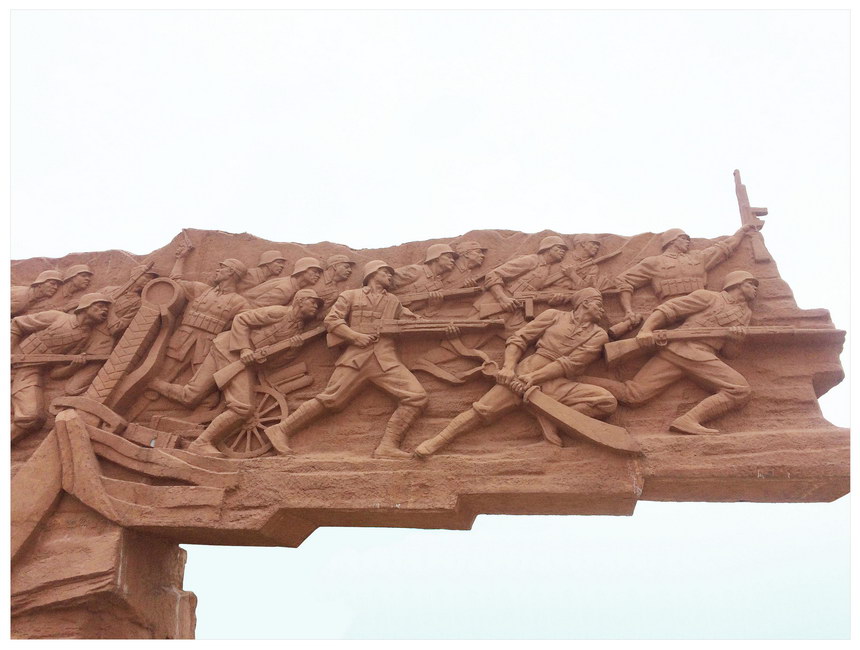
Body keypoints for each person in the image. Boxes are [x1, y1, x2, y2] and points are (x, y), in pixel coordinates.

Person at [414, 288, 616, 458]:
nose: (602, 309)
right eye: (599, 304)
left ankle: (548, 416)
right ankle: (438, 441)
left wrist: (532, 379)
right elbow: (519, 339)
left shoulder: (599, 335)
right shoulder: (553, 316)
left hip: (556, 382)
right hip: (525, 371)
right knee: (481, 410)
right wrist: (509, 368)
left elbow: (570, 364)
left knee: (605, 401)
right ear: (585, 303)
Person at [264, 260, 427, 459]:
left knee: (417, 397)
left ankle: (388, 446)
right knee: (331, 399)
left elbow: (412, 320)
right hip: (356, 358)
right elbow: (332, 320)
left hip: (385, 360)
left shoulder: (393, 301)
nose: (390, 276)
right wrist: (355, 336)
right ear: (372, 274)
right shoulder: (350, 295)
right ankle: (281, 429)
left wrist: (445, 324)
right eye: (385, 272)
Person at [582, 271, 759, 435]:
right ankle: (689, 420)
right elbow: (669, 309)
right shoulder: (710, 297)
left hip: (695, 353)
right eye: (751, 284)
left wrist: (736, 339)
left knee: (634, 395)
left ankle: (577, 380)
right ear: (736, 284)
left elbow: (729, 354)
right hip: (687, 348)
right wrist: (646, 330)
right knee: (739, 390)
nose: (755, 288)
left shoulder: (745, 313)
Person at [150, 290, 323, 456]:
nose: (316, 307)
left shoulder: (297, 331)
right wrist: (244, 349)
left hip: (236, 358)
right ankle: (201, 442)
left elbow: (274, 364)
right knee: (242, 408)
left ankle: (151, 383)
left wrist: (293, 349)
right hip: (230, 349)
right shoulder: (279, 312)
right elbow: (241, 319)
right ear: (300, 301)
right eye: (313, 302)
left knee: (191, 395)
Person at [10, 293, 113, 441]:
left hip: (30, 371)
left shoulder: (84, 338)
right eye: (100, 306)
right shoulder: (56, 317)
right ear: (86, 306)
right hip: (13, 359)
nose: (105, 310)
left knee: (32, 417)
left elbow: (55, 373)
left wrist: (73, 367)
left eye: (107, 308)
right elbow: (16, 324)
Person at [615, 224, 757, 326]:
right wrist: (628, 311)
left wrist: (742, 231)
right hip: (671, 312)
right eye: (683, 238)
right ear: (671, 241)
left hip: (703, 309)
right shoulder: (654, 262)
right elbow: (624, 281)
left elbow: (724, 247)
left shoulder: (698, 258)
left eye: (688, 239)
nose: (688, 241)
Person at [243, 257, 323, 308]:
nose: (318, 275)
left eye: (319, 273)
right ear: (302, 270)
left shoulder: (290, 283)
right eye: (315, 271)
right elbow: (256, 307)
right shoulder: (286, 289)